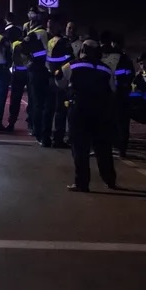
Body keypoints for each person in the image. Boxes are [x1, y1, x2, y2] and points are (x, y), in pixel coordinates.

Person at [56, 40, 118, 192]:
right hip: (101, 112)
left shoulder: (71, 65)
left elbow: (60, 82)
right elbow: (113, 89)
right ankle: (110, 179)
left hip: (79, 110)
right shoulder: (106, 69)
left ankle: (82, 183)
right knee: (103, 147)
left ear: (82, 50)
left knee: (79, 148)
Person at [100, 32, 136, 157]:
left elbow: (129, 75)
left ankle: (118, 147)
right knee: (119, 122)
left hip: (115, 93)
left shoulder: (113, 57)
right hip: (118, 93)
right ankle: (119, 147)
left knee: (118, 121)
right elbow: (130, 75)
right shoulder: (123, 58)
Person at [43, 17, 74, 148]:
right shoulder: (64, 42)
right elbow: (70, 61)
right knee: (60, 110)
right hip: (60, 79)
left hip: (50, 77)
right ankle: (58, 139)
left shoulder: (50, 41)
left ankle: (45, 138)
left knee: (48, 109)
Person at [23, 13, 49, 143]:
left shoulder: (37, 33)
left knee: (36, 101)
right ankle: (37, 129)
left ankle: (35, 127)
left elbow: (23, 48)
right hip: (40, 70)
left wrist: (31, 59)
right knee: (39, 102)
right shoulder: (40, 33)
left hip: (37, 70)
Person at [7, 27, 31, 133]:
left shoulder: (15, 44)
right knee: (31, 98)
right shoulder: (28, 43)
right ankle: (30, 122)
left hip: (18, 73)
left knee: (15, 99)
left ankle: (11, 122)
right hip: (27, 72)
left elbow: (12, 58)